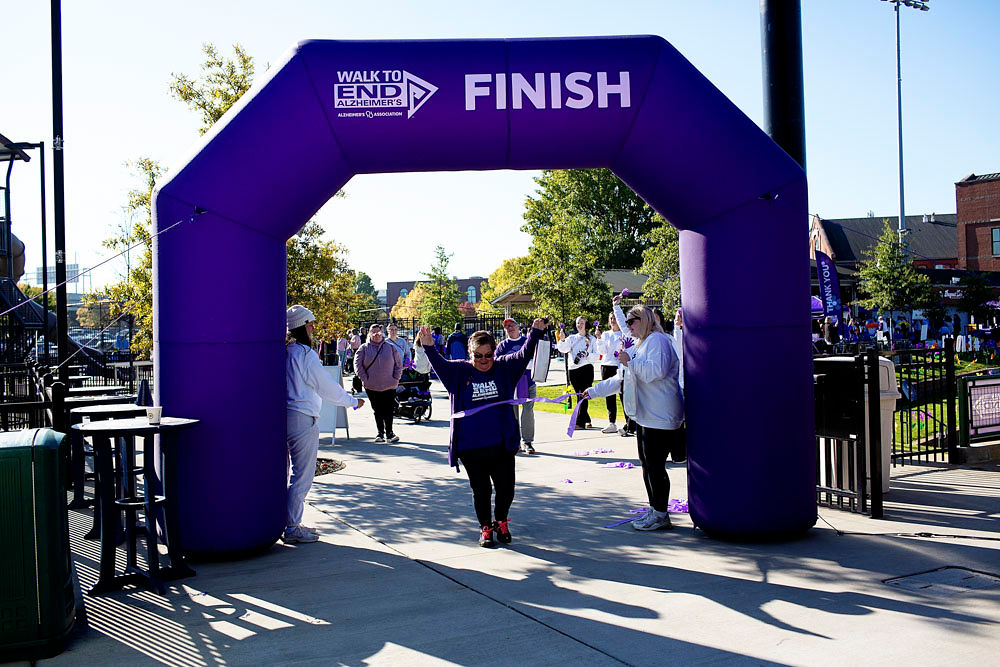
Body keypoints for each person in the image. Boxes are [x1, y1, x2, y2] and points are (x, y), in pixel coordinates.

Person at [419, 318, 546, 547]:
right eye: (478, 356)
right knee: (482, 490)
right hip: (471, 446)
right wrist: (429, 347)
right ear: (470, 354)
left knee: (506, 489)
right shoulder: (459, 372)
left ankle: (501, 521)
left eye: (488, 355)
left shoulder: (504, 368)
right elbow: (440, 365)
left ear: (494, 353)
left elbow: (524, 354)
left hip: (501, 443)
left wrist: (535, 333)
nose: (484, 360)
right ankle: (485, 527)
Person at [584, 304, 683, 531]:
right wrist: (593, 391)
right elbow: (621, 378)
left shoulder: (658, 341)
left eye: (631, 321)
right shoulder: (640, 345)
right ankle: (655, 509)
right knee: (648, 466)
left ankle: (660, 514)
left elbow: (655, 372)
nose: (627, 326)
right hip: (645, 415)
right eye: (626, 322)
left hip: (661, 415)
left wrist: (630, 361)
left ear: (645, 320)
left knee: (656, 467)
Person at [284, 305, 364, 544]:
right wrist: (351, 401)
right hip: (302, 417)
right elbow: (326, 386)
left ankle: (286, 521)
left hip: (281, 416)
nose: (313, 329)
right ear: (303, 327)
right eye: (310, 324)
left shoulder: (284, 352)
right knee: (302, 475)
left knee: (284, 473)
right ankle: (292, 526)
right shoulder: (305, 355)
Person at [355, 323, 403, 443]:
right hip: (372, 386)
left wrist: (396, 379)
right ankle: (380, 433)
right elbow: (357, 365)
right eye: (374, 333)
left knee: (389, 409)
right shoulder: (364, 348)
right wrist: (365, 379)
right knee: (377, 409)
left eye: (379, 333)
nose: (377, 335)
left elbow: (398, 364)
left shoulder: (390, 347)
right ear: (370, 334)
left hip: (389, 385)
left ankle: (390, 433)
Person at [495, 318, 536, 454]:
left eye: (512, 325)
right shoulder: (502, 346)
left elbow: (535, 359)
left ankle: (527, 442)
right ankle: (515, 441)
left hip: (528, 382)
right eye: (507, 326)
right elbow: (497, 363)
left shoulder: (527, 341)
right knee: (512, 414)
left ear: (518, 327)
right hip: (510, 384)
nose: (510, 328)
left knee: (528, 411)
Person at [556, 316, 599, 430]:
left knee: (583, 396)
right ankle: (587, 419)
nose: (579, 325)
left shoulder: (592, 339)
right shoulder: (571, 338)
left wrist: (587, 354)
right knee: (579, 395)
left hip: (586, 369)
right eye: (578, 323)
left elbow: (596, 356)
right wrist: (562, 340)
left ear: (586, 325)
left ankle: (580, 423)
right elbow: (563, 349)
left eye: (582, 323)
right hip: (573, 370)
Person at [596, 311, 623, 434]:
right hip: (606, 366)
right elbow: (602, 351)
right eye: (611, 318)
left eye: (615, 318)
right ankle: (612, 422)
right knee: (609, 395)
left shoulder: (623, 334)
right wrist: (599, 339)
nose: (613, 320)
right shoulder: (606, 334)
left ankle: (629, 422)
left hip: (618, 367)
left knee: (623, 394)